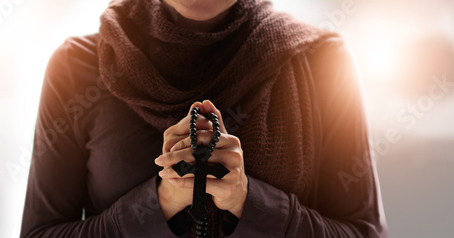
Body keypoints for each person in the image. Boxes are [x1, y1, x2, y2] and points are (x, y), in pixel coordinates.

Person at [20, 0, 388, 237]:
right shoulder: (78, 67)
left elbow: (365, 232)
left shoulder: (321, 61)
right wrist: (156, 204)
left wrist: (250, 200)